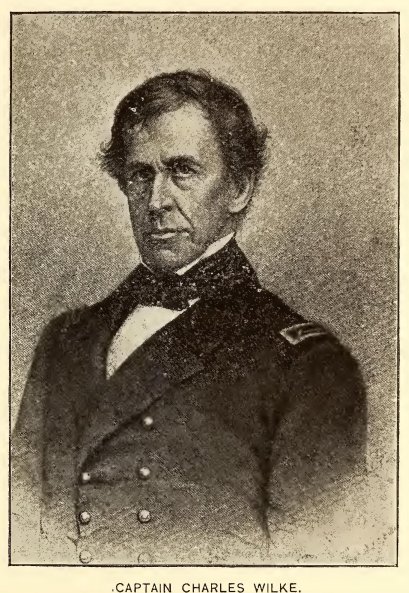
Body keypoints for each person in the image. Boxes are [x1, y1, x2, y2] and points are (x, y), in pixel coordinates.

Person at [11, 70, 366, 565]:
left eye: (182, 171)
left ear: (238, 188)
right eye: (140, 175)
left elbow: (316, 563)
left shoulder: (306, 364)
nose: (157, 201)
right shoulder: (65, 341)